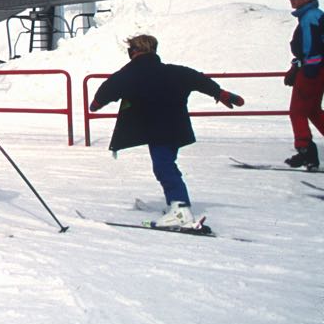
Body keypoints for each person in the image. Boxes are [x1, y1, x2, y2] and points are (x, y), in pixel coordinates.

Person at [90, 34, 244, 226]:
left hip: (157, 130)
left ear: (134, 52)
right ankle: (176, 203)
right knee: (166, 164)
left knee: (164, 166)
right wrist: (220, 93)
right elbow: (197, 79)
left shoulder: (130, 73)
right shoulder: (174, 72)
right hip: (177, 128)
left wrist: (96, 104)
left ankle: (180, 209)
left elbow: (107, 90)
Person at [284, 0, 323, 169]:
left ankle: (306, 151)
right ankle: (307, 151)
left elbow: (312, 48)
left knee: (297, 111)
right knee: (313, 110)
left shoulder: (309, 18)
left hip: (312, 71)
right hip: (314, 69)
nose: (292, 0)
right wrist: (295, 66)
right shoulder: (312, 16)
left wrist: (306, 71)